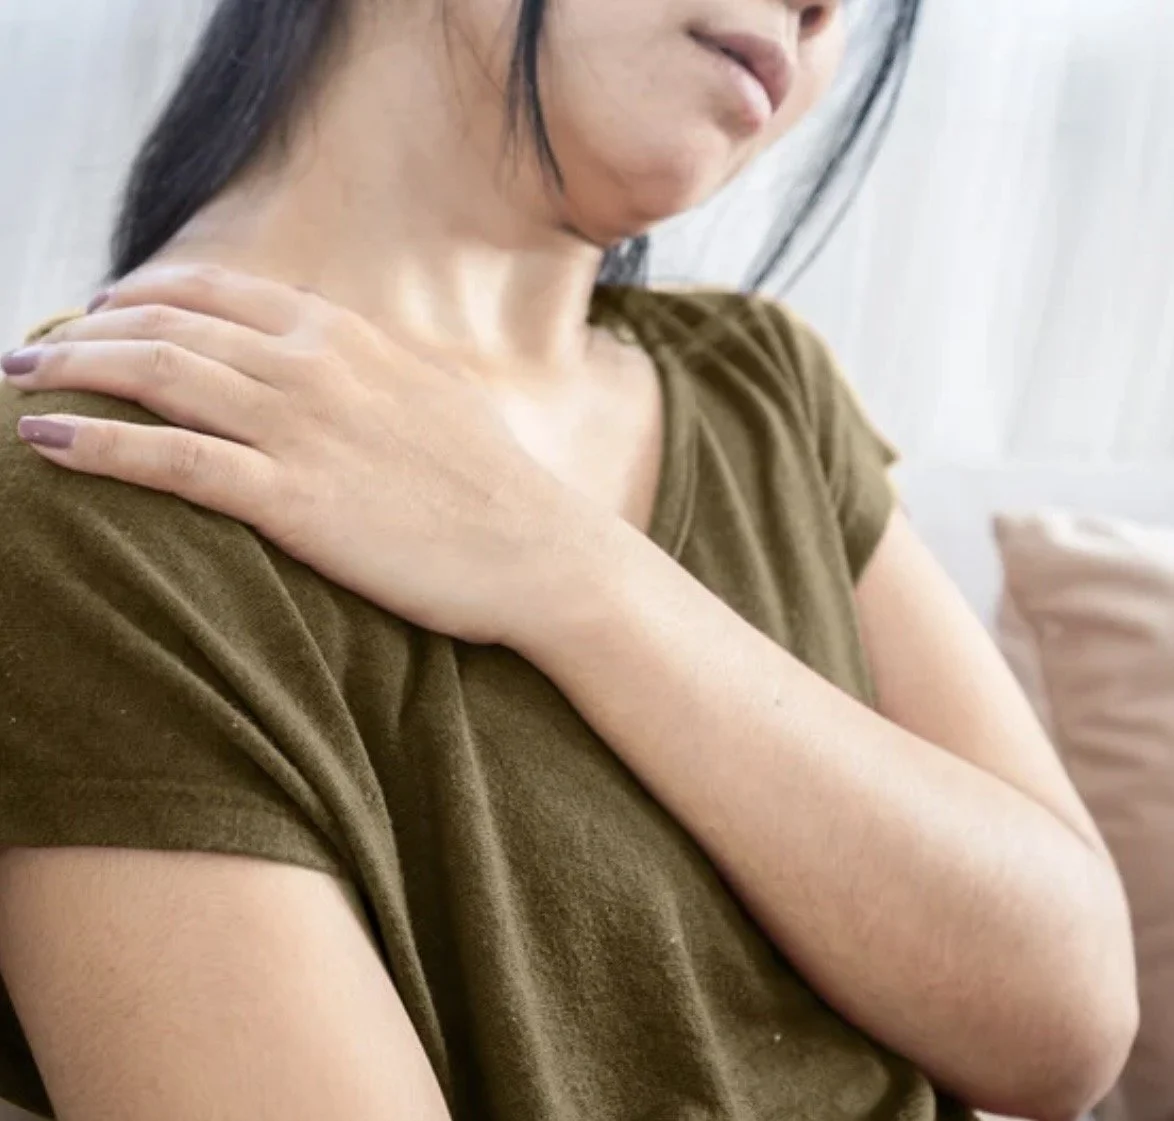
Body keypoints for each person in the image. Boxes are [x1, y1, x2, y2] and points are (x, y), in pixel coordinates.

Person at [0, 1, 1138, 1119]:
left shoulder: (763, 392)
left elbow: (1070, 1017)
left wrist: (561, 560)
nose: (822, 10)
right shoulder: (104, 471)